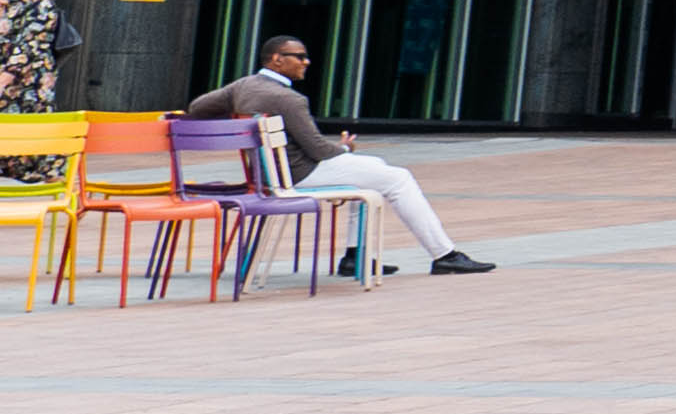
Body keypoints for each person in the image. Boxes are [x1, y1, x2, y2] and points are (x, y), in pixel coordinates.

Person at [179, 38, 492, 273]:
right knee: (399, 178)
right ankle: (444, 256)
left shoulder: (243, 86)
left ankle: (355, 258)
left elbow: (197, 108)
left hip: (270, 172)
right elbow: (317, 149)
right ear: (276, 59)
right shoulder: (289, 99)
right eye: (298, 56)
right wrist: (345, 147)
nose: (306, 62)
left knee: (375, 171)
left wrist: (238, 115)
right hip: (298, 173)